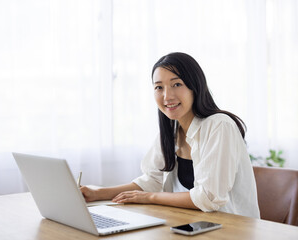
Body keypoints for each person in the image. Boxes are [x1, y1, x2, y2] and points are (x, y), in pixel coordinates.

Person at [80, 52, 260, 218]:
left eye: (176, 84)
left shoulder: (219, 125)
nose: (167, 96)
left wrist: (150, 197)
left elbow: (208, 197)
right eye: (159, 87)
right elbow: (151, 180)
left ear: (194, 86)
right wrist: (97, 193)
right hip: (193, 225)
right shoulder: (172, 132)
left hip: (231, 229)